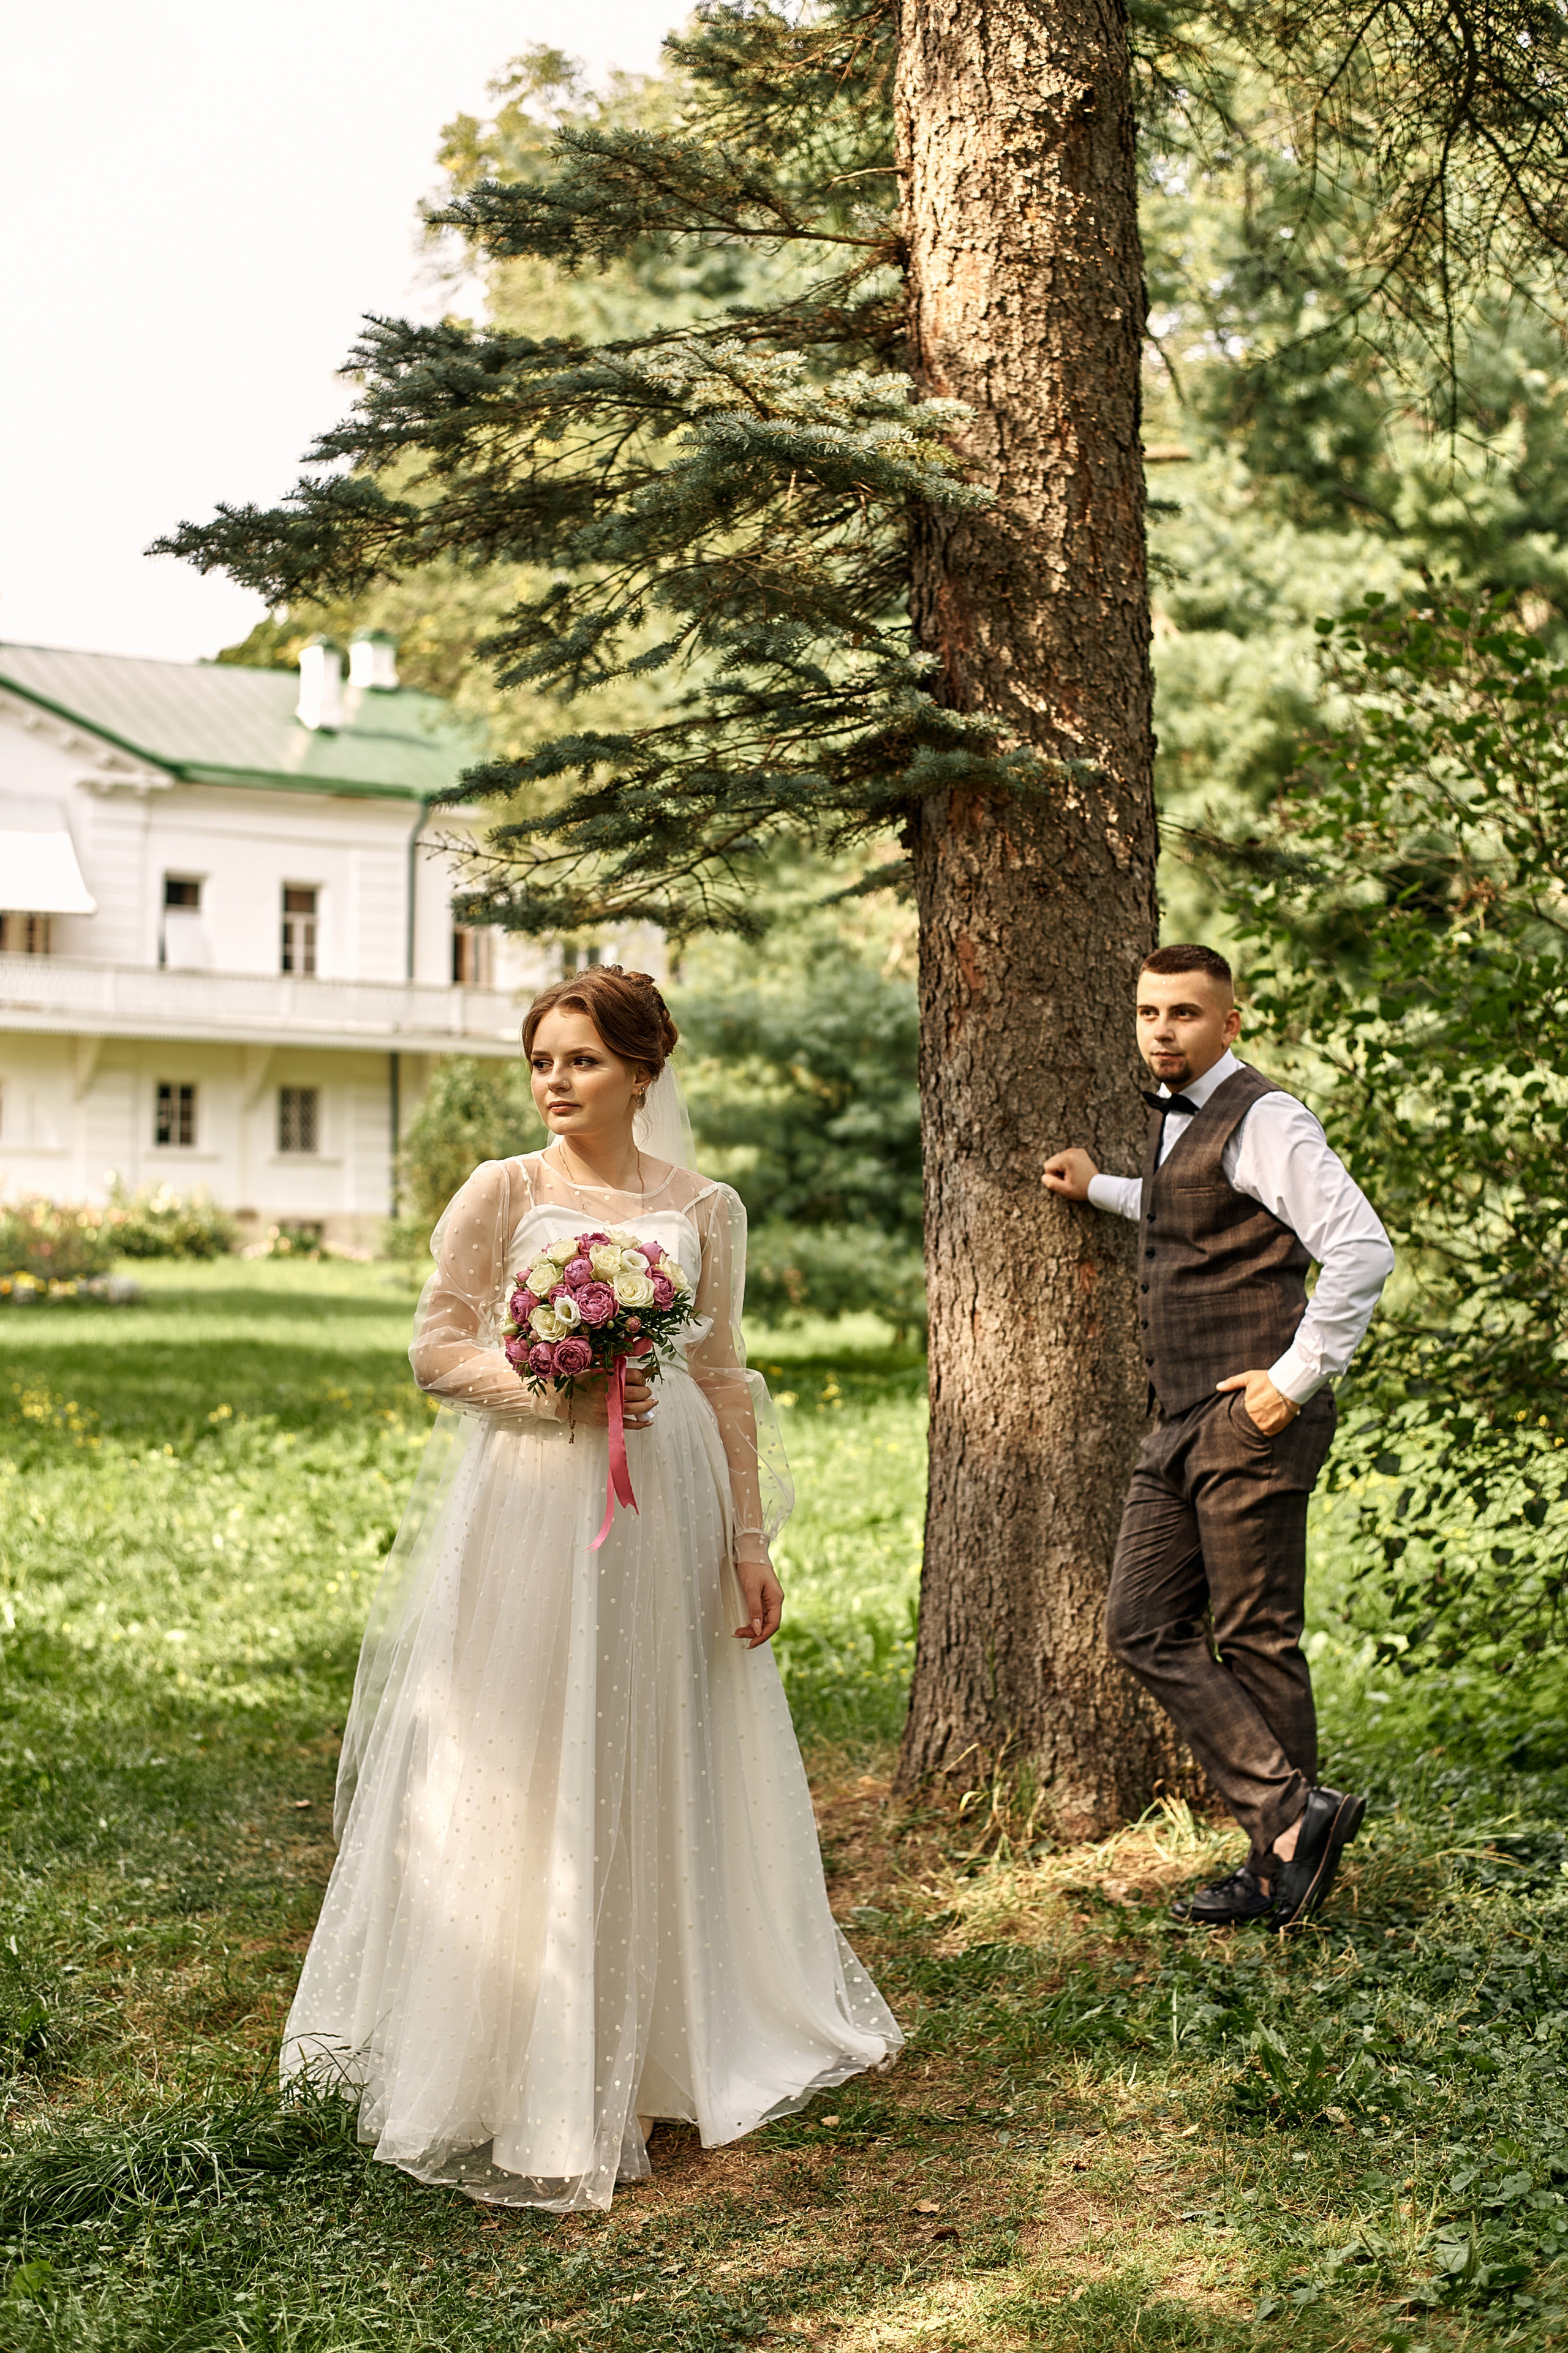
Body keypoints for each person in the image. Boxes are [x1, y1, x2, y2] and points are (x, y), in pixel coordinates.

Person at [283, 966, 900, 2209]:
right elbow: (434, 1345)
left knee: (644, 1743)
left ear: (640, 1071)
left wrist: (745, 1538)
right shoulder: (502, 1191)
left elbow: (722, 1373)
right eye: (542, 1062)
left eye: (581, 1062)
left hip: (661, 1503)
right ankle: (511, 2050)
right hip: (528, 1497)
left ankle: (659, 2036)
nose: (556, 1084)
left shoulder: (702, 1208)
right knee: (518, 1748)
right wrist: (546, 1386)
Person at [1041, 944, 1395, 1930]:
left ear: (1229, 1023)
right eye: (1150, 1010)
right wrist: (1103, 1185)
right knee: (1140, 1623)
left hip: (1250, 1414)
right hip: (1179, 1420)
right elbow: (1194, 1213)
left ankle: (1282, 1871)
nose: (1163, 1028)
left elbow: (1362, 1247)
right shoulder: (1180, 1121)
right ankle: (1294, 1820)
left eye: (1187, 1013)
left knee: (1253, 1635)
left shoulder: (1265, 1115)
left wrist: (1290, 1383)